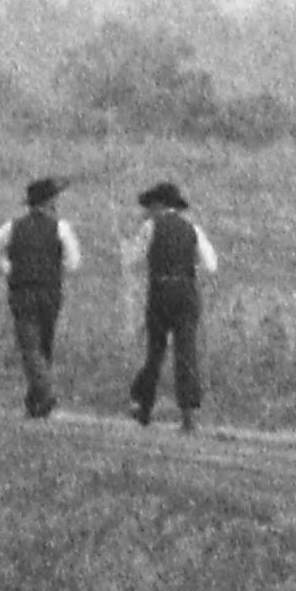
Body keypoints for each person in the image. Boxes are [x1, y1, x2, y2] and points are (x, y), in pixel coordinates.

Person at [0, 177, 81, 419]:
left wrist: (8, 268)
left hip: (22, 291)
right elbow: (73, 263)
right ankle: (39, 399)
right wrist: (51, 269)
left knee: (30, 346)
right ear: (51, 202)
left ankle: (42, 396)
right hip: (51, 292)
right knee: (44, 346)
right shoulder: (61, 228)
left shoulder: (13, 227)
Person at [126, 180, 221, 429]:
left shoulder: (150, 227)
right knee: (186, 352)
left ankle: (144, 406)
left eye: (150, 206)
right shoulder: (193, 229)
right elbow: (211, 265)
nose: (147, 211)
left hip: (161, 290)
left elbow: (133, 260)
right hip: (186, 292)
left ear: (159, 205)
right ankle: (189, 415)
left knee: (155, 351)